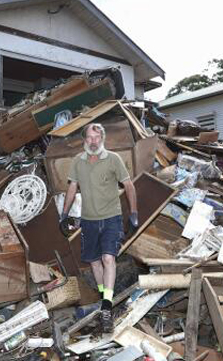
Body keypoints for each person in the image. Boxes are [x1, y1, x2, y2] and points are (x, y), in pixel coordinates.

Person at [60, 123, 138, 333]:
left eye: (96, 137)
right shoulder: (78, 161)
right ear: (84, 140)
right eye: (89, 138)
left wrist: (133, 213)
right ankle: (106, 295)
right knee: (95, 263)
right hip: (88, 220)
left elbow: (128, 185)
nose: (93, 142)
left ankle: (106, 306)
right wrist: (64, 213)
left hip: (111, 217)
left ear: (102, 138)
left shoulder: (113, 159)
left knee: (108, 258)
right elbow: (72, 187)